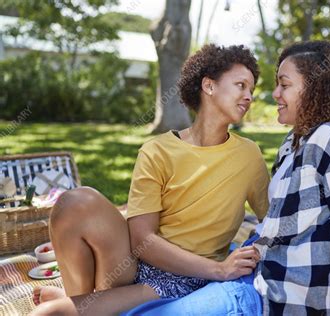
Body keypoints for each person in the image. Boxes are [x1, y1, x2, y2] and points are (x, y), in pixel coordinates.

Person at [123, 40, 330, 315]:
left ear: (316, 87)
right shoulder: (294, 143)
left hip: (278, 295)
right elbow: (276, 219)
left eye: (285, 84)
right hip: (254, 278)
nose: (274, 94)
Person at [31, 44, 270, 315]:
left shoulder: (249, 155)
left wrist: (237, 259)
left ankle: (79, 304)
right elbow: (142, 239)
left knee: (49, 314)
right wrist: (220, 269)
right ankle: (81, 298)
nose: (249, 96)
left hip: (181, 279)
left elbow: (274, 219)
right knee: (73, 202)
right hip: (134, 264)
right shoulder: (157, 150)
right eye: (241, 85)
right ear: (209, 86)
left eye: (251, 90)